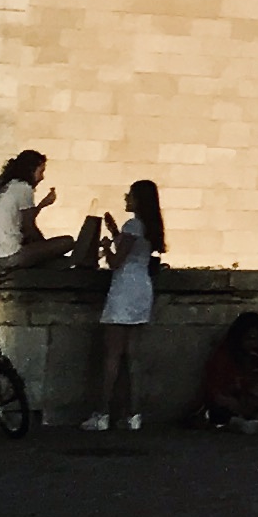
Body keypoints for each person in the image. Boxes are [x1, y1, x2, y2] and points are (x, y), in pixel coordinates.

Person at [82, 179, 165, 433]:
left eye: (129, 195)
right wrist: (115, 233)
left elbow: (117, 261)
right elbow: (133, 250)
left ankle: (102, 413)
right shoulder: (149, 227)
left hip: (124, 290)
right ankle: (133, 414)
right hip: (142, 288)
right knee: (132, 357)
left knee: (112, 357)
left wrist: (107, 247)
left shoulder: (133, 224)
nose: (126, 198)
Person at [0, 151, 101, 273]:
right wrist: (47, 248)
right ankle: (72, 264)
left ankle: (62, 263)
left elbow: (22, 219)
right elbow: (29, 227)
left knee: (49, 255)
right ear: (31, 170)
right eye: (41, 171)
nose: (42, 177)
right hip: (7, 256)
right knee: (67, 242)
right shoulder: (23, 188)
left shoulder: (8, 188)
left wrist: (42, 205)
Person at [196, 311, 258, 429]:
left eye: (256, 339)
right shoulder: (224, 357)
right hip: (230, 405)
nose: (253, 344)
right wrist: (233, 401)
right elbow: (215, 392)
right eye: (249, 339)